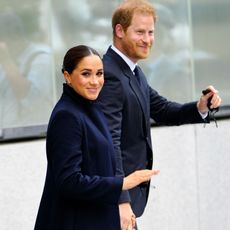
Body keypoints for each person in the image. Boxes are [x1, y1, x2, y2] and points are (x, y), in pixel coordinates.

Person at [97, 0, 222, 229]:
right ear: (119, 30)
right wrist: (121, 199)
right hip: (114, 204)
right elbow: (108, 143)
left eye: (151, 32)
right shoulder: (111, 75)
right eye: (140, 32)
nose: (147, 39)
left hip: (123, 201)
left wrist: (201, 107)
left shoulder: (132, 71)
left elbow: (163, 110)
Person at [34, 45, 159, 230]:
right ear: (67, 76)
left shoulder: (91, 107)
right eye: (86, 74)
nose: (95, 81)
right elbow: (68, 181)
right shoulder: (67, 116)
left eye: (99, 73)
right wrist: (122, 183)